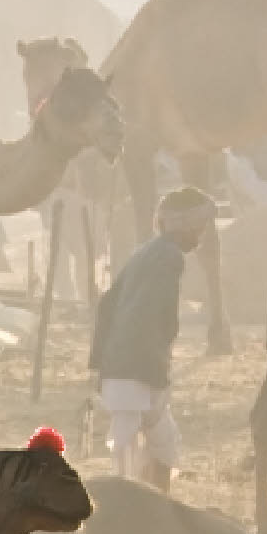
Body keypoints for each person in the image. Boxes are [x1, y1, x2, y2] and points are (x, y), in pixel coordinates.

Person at [88, 186, 215, 491]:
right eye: (198, 227)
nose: (201, 234)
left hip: (121, 365)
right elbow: (159, 314)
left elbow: (107, 305)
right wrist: (158, 360)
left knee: (155, 445)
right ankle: (139, 516)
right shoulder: (170, 256)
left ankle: (151, 510)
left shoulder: (144, 252)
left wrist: (99, 363)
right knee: (131, 457)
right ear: (183, 226)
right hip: (138, 367)